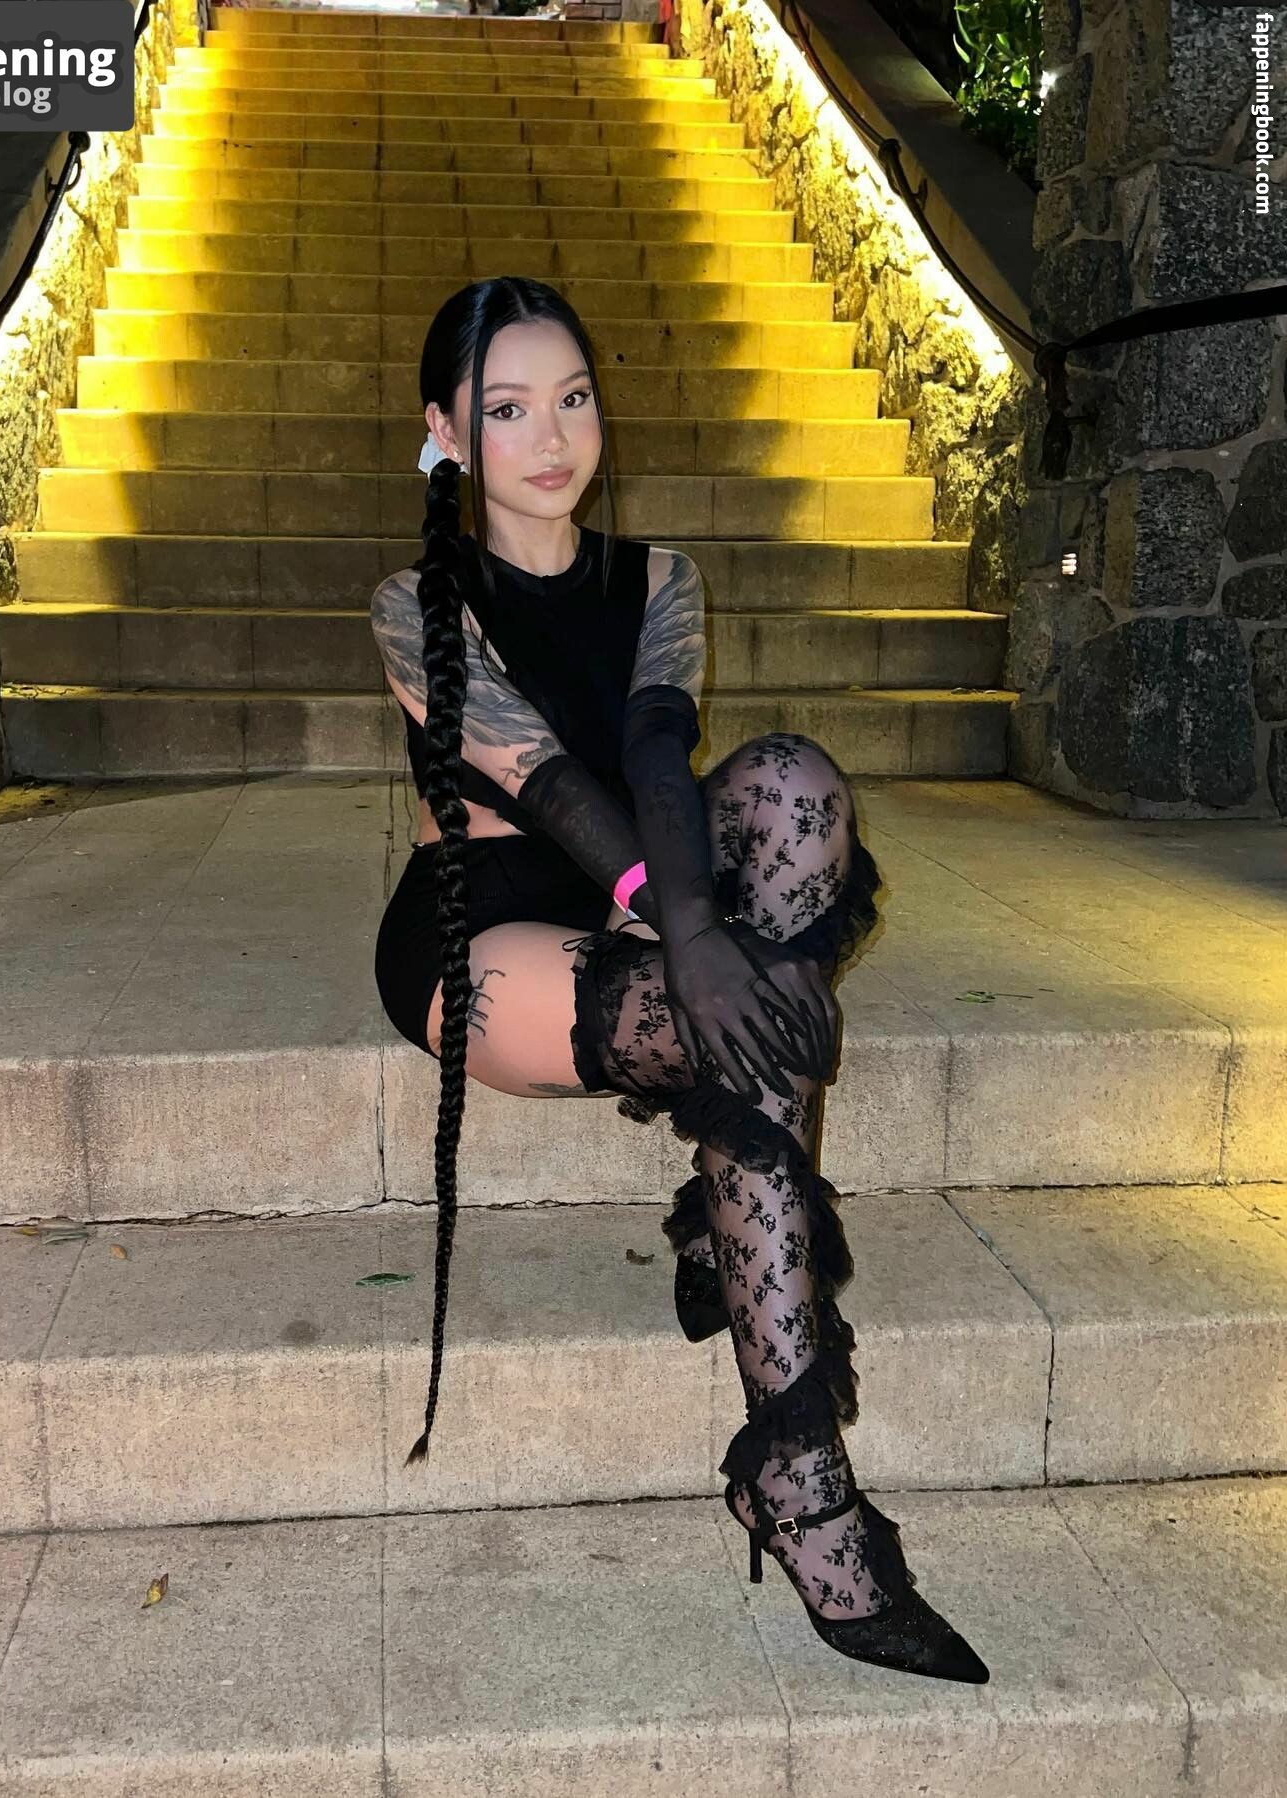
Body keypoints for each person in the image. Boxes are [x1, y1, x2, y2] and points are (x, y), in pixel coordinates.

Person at [370, 276, 989, 1685]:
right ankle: (803, 1481)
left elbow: (658, 751)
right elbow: (545, 780)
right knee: (739, 1025)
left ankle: (740, 1255)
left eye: (574, 398)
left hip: (646, 877)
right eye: (507, 409)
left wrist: (698, 930)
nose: (551, 438)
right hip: (488, 922)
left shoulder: (661, 578)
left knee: (793, 786)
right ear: (445, 432)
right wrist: (688, 936)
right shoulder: (417, 604)